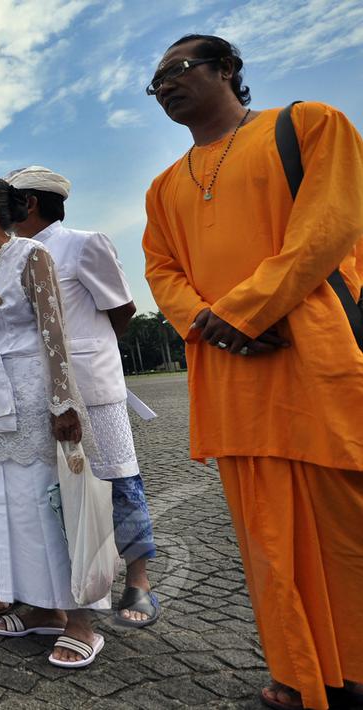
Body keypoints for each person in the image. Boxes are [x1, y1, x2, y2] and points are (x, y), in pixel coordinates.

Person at [142, 34, 363, 710]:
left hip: (315, 358)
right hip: (234, 376)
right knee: (268, 542)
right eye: (155, 84)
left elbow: (327, 228)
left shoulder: (308, 125)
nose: (165, 87)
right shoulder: (162, 187)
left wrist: (243, 310)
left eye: (176, 70)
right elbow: (161, 271)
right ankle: (300, 676)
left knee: (347, 530)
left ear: (227, 70)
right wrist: (210, 322)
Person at [0, 177, 105, 668]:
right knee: (5, 501)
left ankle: (81, 618)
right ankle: (41, 605)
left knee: (47, 503)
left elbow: (52, 328)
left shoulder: (30, 256)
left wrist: (64, 401)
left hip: (31, 391)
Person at [5, 165, 158, 626]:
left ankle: (138, 581)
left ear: (29, 203)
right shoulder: (14, 255)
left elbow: (122, 308)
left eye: (7, 201)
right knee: (54, 488)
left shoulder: (83, 244)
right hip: (38, 387)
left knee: (117, 478)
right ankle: (64, 586)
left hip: (91, 385)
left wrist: (88, 354)